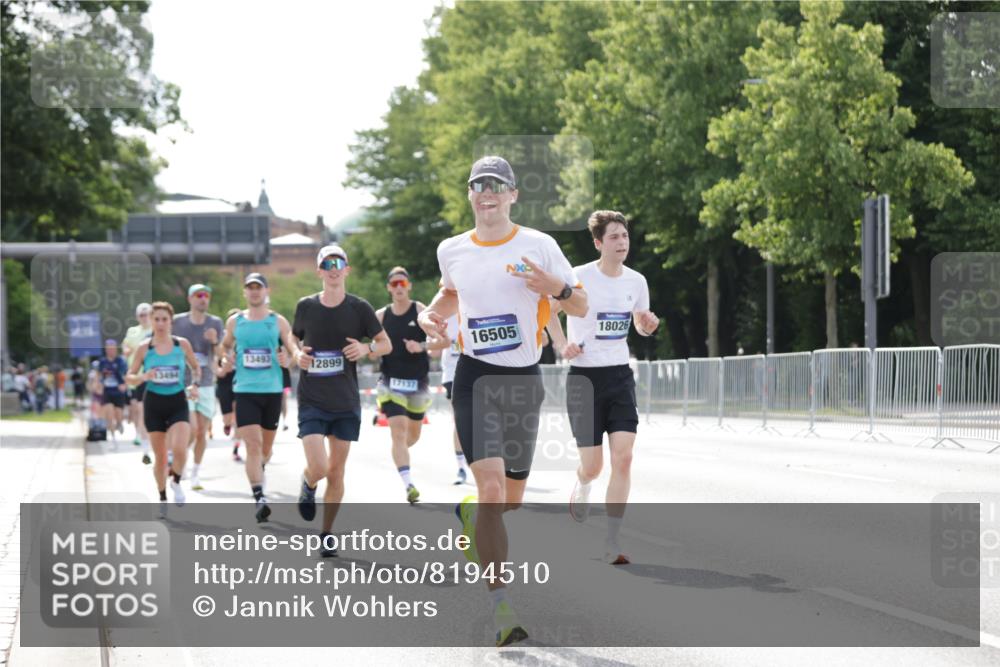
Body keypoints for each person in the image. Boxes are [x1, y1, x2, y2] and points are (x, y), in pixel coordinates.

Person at [418, 155, 587, 647]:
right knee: (491, 490)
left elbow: (579, 304)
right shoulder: (452, 249)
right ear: (470, 194)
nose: (486, 192)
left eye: (496, 185)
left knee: (509, 501)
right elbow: (449, 294)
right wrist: (432, 315)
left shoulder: (539, 244)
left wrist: (555, 287)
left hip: (522, 382)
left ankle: (472, 516)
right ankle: (502, 607)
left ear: (513, 194)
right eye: (477, 185)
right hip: (474, 378)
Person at [546, 210, 660, 565]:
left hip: (619, 377)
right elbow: (547, 310)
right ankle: (583, 484)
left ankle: (612, 540)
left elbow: (640, 325)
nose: (621, 242)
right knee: (593, 467)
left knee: (623, 458)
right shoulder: (577, 278)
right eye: (613, 237)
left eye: (624, 236)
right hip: (584, 379)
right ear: (598, 243)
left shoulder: (636, 281)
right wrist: (562, 344)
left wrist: (647, 325)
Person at [292, 244, 390, 556]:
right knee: (319, 467)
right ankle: (308, 484)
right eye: (327, 263)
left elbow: (384, 343)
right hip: (312, 399)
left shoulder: (359, 308)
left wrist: (366, 350)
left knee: (336, 471)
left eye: (339, 262)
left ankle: (326, 533)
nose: (334, 268)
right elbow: (293, 340)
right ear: (319, 271)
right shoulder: (306, 306)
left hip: (345, 401)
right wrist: (296, 355)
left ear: (347, 269)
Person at [219, 273, 299, 523]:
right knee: (252, 446)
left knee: (265, 449)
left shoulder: (277, 321)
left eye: (258, 288)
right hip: (244, 391)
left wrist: (289, 358)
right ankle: (259, 497)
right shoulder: (235, 322)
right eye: (250, 288)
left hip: (272, 391)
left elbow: (292, 346)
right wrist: (225, 357)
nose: (254, 292)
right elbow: (224, 346)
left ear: (266, 291)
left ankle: (259, 470)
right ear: (245, 292)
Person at [371, 266, 447, 504]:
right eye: (394, 284)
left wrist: (421, 347)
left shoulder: (421, 311)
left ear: (409, 286)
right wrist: (372, 350)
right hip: (390, 382)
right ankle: (409, 485)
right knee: (399, 431)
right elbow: (370, 347)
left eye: (402, 283)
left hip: (417, 382)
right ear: (388, 288)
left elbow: (443, 342)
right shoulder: (381, 316)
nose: (398, 287)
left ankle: (399, 454)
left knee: (411, 436)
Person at [125, 301, 201, 518]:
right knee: (159, 456)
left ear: (171, 321)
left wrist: (194, 385)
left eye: (164, 319)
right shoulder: (144, 347)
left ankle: (176, 480)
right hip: (154, 403)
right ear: (151, 321)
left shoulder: (181, 345)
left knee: (179, 449)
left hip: (177, 400)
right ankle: (162, 497)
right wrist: (142, 377)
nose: (159, 323)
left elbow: (196, 367)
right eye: (155, 319)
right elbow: (129, 377)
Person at [172, 284, 224, 491]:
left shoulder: (215, 322)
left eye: (206, 295)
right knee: (192, 428)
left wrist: (214, 341)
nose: (203, 299)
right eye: (198, 295)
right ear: (190, 298)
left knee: (201, 432)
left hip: (207, 383)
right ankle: (180, 462)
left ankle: (195, 470)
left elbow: (220, 353)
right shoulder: (177, 322)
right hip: (183, 382)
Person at [439, 314, 470, 485]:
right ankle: (461, 467)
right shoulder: (444, 313)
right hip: (453, 375)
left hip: (479, 372)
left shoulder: (478, 305)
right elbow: (434, 350)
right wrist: (440, 338)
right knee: (460, 421)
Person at [122, 303, 154, 461]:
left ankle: (156, 445)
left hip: (155, 376)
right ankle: (145, 447)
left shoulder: (156, 329)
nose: (144, 317)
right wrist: (128, 351)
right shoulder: (132, 331)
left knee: (152, 411)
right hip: (138, 376)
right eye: (141, 315)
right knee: (139, 410)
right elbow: (126, 348)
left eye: (147, 314)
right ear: (137, 317)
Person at [215, 308, 243, 462]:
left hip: (240, 379)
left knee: (238, 415)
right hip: (225, 380)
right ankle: (227, 424)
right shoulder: (222, 342)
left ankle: (236, 448)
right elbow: (215, 360)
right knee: (228, 417)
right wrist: (222, 367)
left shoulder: (246, 339)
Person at [96, 341, 129, 438]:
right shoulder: (102, 362)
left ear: (115, 349)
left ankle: (119, 423)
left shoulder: (121, 361)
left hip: (118, 391)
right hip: (107, 390)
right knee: (109, 412)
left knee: (119, 413)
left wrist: (125, 385)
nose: (110, 350)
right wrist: (98, 385)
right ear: (106, 350)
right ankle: (112, 435)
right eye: (108, 348)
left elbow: (127, 374)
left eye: (112, 348)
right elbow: (98, 374)